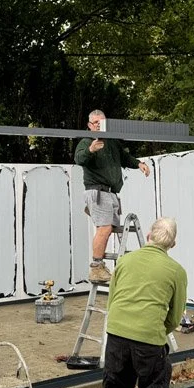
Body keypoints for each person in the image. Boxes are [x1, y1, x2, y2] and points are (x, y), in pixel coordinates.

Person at [97, 217, 187, 388]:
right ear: (172, 244)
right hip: (149, 342)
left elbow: (113, 301)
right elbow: (175, 316)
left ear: (148, 235)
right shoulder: (176, 271)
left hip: (116, 336)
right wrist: (155, 330)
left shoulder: (124, 261)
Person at [74, 110, 150, 284]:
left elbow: (125, 157)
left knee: (109, 229)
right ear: (89, 125)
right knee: (105, 228)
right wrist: (91, 150)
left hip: (110, 193)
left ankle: (104, 266)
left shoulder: (112, 142)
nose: (99, 126)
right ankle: (96, 267)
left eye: (102, 123)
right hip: (98, 191)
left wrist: (139, 164)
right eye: (96, 123)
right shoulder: (86, 142)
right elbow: (79, 159)